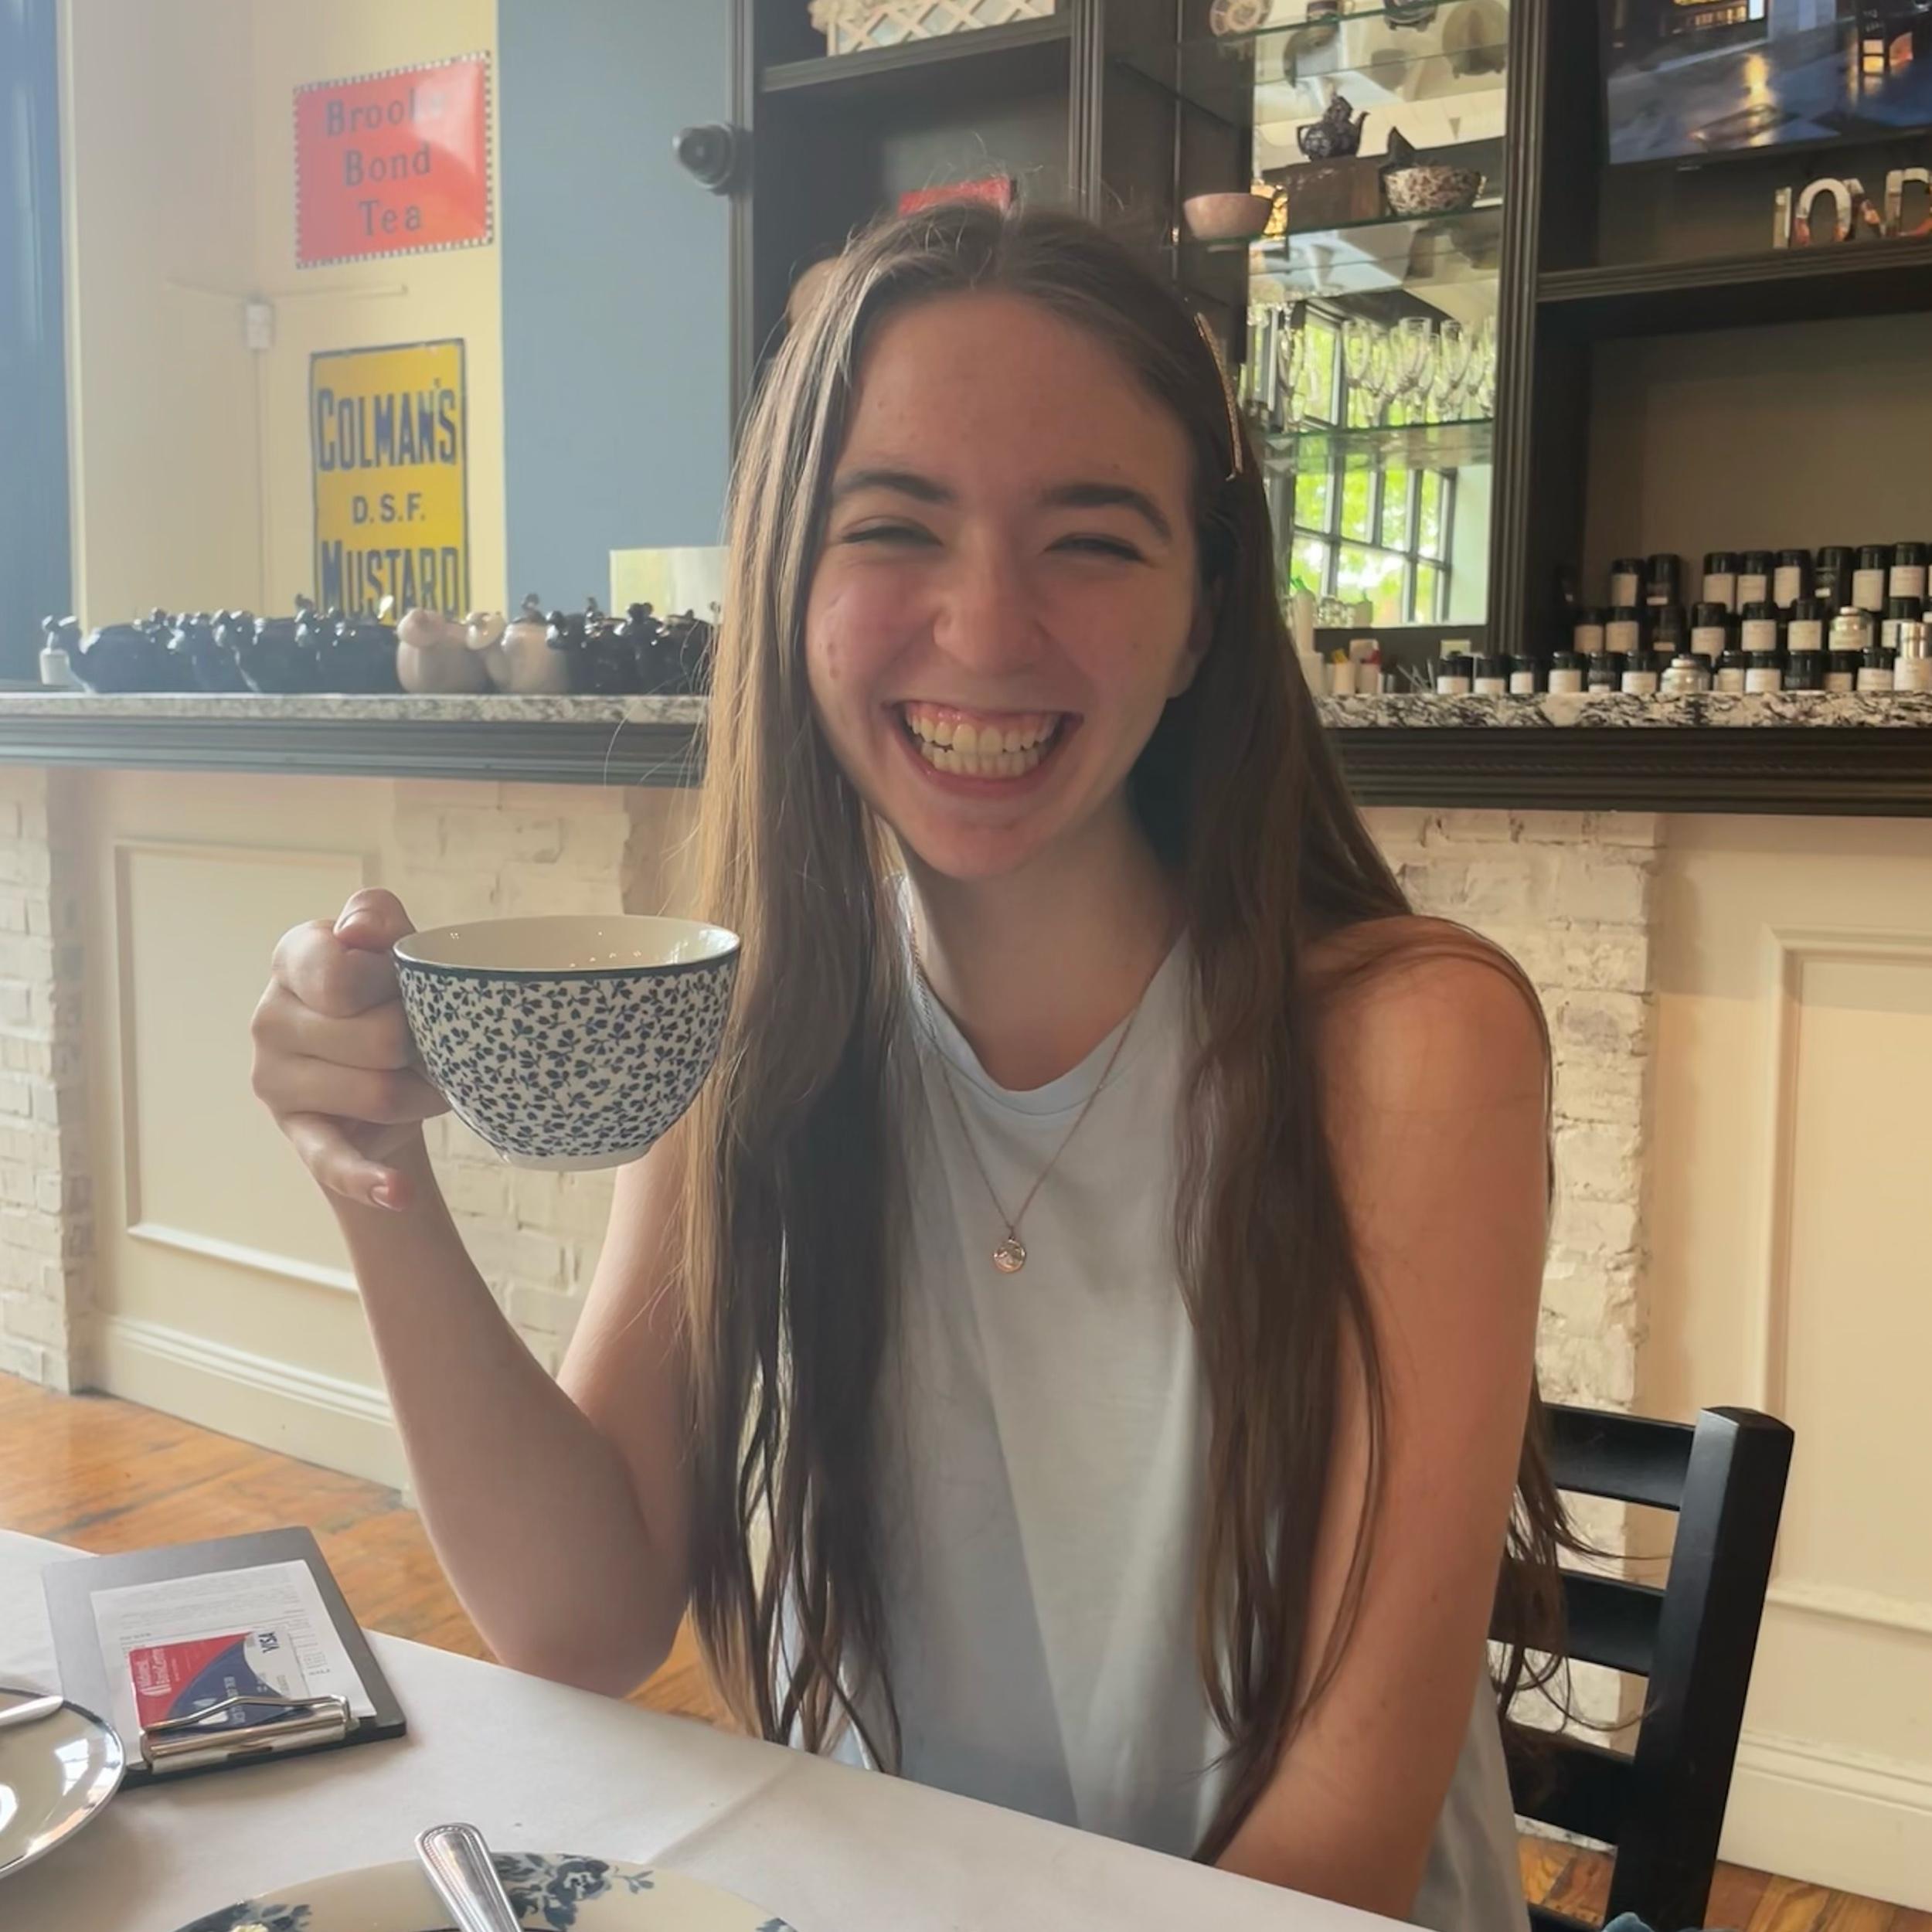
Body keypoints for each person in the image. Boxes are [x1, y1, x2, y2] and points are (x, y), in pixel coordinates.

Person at [251, 202, 1562, 1930]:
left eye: (1091, 541)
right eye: (893, 528)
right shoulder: (757, 1022)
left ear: (1201, 617)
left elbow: (1342, 1842)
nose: (985, 628)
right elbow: (580, 1618)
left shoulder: (1412, 1046)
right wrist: (377, 1173)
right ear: (787, 589)